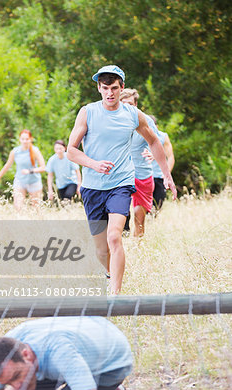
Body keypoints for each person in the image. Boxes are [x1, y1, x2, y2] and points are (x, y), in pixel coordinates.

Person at [67, 65, 177, 294]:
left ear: (122, 88)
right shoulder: (87, 112)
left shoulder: (134, 115)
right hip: (92, 186)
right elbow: (71, 150)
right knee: (100, 249)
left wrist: (166, 175)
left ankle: (115, 296)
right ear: (98, 88)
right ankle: (109, 273)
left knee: (114, 236)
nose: (110, 93)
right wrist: (94, 164)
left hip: (122, 183)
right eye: (105, 88)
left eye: (114, 88)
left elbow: (155, 142)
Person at [0, 316, 133, 390]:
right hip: (69, 354)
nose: (17, 385)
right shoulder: (4, 352)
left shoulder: (61, 352)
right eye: (9, 382)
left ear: (26, 354)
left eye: (16, 376)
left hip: (109, 364)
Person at [120, 89, 166, 237]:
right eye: (123, 104)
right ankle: (119, 244)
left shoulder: (146, 120)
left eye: (130, 104)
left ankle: (138, 249)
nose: (127, 107)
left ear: (136, 104)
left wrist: (153, 154)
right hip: (121, 173)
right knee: (120, 213)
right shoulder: (112, 120)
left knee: (139, 217)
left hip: (142, 174)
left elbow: (157, 142)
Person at [0, 129, 45, 209]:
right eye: (23, 139)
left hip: (34, 181)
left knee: (36, 208)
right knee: (18, 207)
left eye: (27, 139)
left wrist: (30, 171)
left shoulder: (35, 151)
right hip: (20, 181)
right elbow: (7, 165)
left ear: (31, 139)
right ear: (19, 139)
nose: (25, 141)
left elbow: (43, 168)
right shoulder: (15, 151)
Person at [144, 115, 175, 210]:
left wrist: (166, 174)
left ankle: (152, 221)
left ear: (156, 127)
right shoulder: (139, 135)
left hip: (159, 176)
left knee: (158, 206)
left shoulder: (163, 137)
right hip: (144, 176)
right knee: (144, 207)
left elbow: (170, 157)